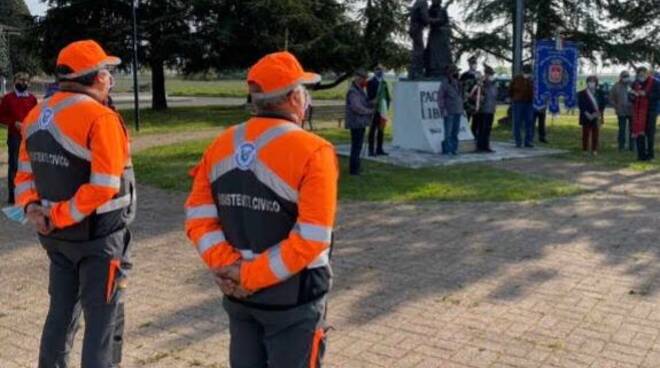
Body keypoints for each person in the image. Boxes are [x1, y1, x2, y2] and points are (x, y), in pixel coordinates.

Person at [184, 51, 338, 368]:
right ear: (295, 97)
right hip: (292, 300)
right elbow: (312, 238)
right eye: (304, 92)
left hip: (238, 296)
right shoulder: (314, 151)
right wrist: (250, 275)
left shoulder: (221, 144)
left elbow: (198, 218)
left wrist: (230, 268)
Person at [15, 40, 136, 367]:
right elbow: (105, 186)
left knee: (60, 316)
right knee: (102, 325)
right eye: (107, 72)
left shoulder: (36, 114)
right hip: (99, 240)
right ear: (96, 78)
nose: (110, 78)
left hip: (55, 239)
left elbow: (23, 174)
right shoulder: (100, 117)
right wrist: (58, 214)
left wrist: (32, 210)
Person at [0, 72, 37, 204]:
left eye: (27, 80)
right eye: (21, 80)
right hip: (15, 137)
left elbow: (35, 115)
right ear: (15, 80)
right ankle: (13, 194)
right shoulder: (8, 98)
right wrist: (13, 122)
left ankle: (28, 195)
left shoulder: (32, 99)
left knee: (30, 166)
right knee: (14, 165)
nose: (24, 82)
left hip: (29, 136)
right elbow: (1, 116)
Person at [345, 69, 374, 175]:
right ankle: (354, 170)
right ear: (358, 78)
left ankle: (356, 167)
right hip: (356, 122)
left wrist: (372, 102)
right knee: (356, 146)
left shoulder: (360, 90)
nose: (364, 80)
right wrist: (369, 111)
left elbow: (364, 103)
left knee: (358, 146)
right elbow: (356, 107)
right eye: (363, 78)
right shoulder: (353, 91)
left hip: (360, 122)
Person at [631, 67, 660, 161]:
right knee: (639, 134)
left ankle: (650, 155)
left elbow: (658, 95)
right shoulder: (635, 83)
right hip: (638, 112)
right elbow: (631, 96)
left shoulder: (655, 82)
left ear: (647, 74)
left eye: (643, 74)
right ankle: (641, 155)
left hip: (651, 111)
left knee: (650, 134)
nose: (641, 76)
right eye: (639, 74)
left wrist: (646, 94)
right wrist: (632, 96)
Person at [438, 64, 464, 156]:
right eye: (455, 72)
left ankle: (454, 149)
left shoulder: (458, 83)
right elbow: (440, 97)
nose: (457, 73)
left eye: (457, 72)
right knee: (448, 132)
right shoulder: (445, 83)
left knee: (455, 132)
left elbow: (460, 97)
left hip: (458, 110)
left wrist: (462, 108)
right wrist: (443, 109)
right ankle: (447, 150)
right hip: (449, 111)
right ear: (450, 73)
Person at [471, 65, 498, 153]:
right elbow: (477, 96)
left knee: (487, 129)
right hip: (483, 110)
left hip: (491, 109)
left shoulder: (493, 84)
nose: (491, 76)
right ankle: (480, 146)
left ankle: (486, 145)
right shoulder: (481, 84)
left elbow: (494, 96)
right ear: (486, 74)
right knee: (482, 128)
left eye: (491, 74)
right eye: (490, 74)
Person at [367, 66, 391, 156]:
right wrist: (373, 102)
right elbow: (369, 96)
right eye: (378, 70)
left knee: (381, 130)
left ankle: (379, 149)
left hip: (382, 110)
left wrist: (386, 106)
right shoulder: (370, 82)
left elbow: (387, 96)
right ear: (374, 71)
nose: (380, 72)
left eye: (381, 70)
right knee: (372, 130)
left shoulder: (384, 83)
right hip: (374, 109)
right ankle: (371, 150)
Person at [509, 65, 535, 148]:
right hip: (518, 103)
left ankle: (528, 141)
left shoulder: (532, 80)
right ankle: (518, 141)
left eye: (528, 72)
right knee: (517, 122)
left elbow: (535, 90)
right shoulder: (517, 78)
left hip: (529, 103)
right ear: (522, 71)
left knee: (529, 122)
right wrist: (512, 98)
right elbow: (510, 89)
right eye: (526, 72)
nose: (527, 74)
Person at [578, 75, 603, 156]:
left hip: (596, 115)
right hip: (586, 116)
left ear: (596, 83)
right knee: (585, 133)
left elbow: (603, 103)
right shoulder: (582, 93)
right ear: (587, 83)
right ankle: (585, 149)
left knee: (596, 133)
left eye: (593, 81)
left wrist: (598, 113)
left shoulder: (600, 92)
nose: (591, 83)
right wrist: (587, 114)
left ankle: (594, 149)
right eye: (590, 81)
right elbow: (581, 105)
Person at [609, 71, 634, 151]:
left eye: (627, 76)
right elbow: (611, 98)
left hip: (632, 111)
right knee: (622, 129)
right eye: (624, 76)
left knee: (632, 129)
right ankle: (621, 146)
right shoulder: (616, 86)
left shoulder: (633, 85)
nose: (626, 77)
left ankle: (632, 146)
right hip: (621, 111)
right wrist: (616, 106)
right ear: (621, 77)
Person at [461, 56, 480, 136]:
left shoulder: (479, 75)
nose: (474, 65)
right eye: (472, 63)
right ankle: (465, 135)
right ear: (469, 64)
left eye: (475, 63)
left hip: (476, 101)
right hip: (467, 101)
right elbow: (461, 87)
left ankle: (474, 136)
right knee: (466, 120)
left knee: (476, 122)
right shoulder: (464, 75)